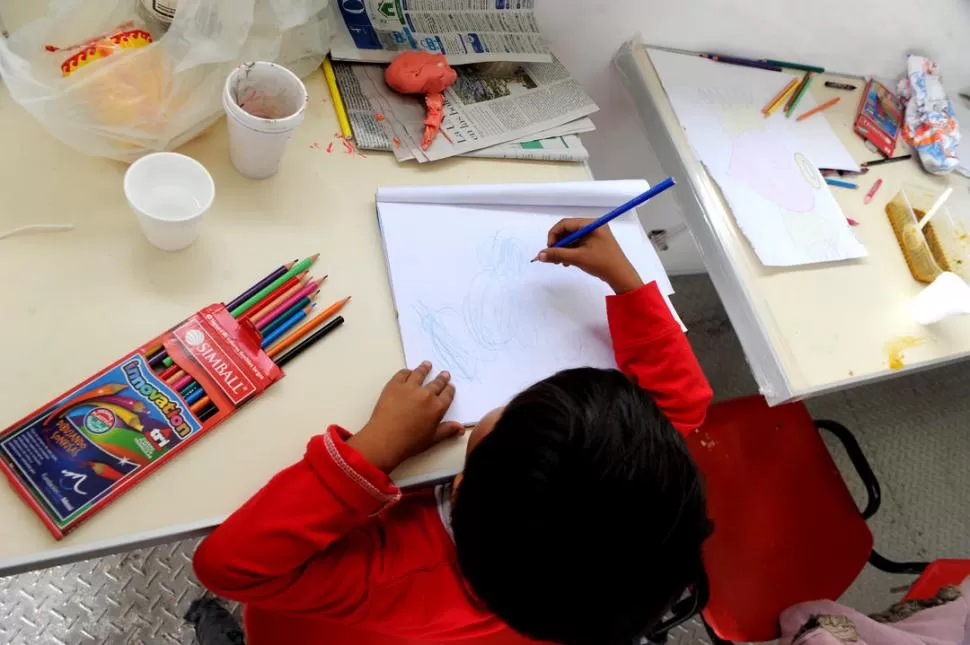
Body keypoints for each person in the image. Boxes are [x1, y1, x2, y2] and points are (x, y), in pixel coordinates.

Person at [193, 218, 714, 645]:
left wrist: (376, 450)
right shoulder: (633, 504)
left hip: (311, 618)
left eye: (510, 409)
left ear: (465, 483)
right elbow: (681, 406)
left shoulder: (411, 577)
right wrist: (625, 279)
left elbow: (228, 568)